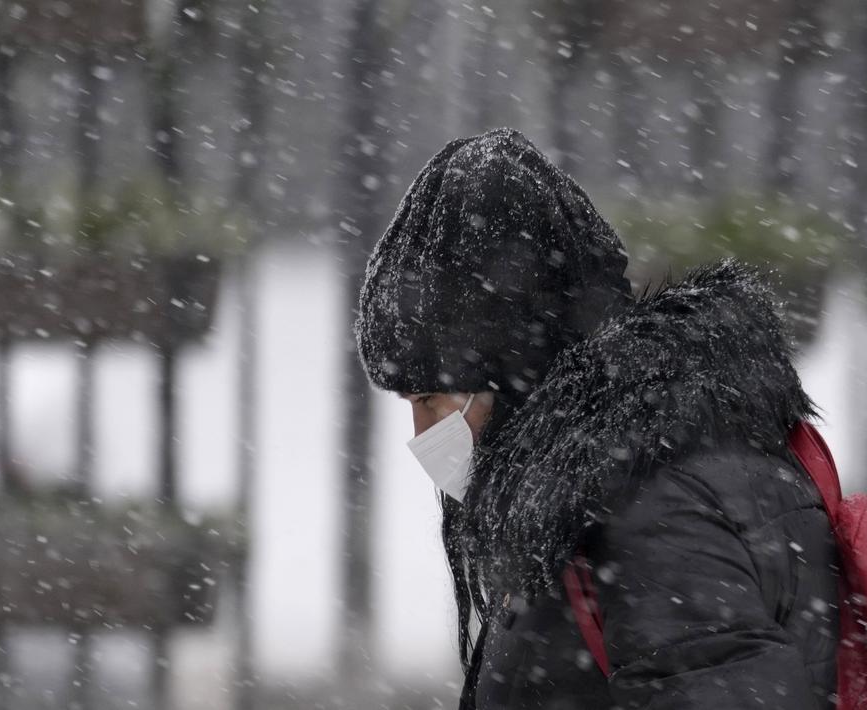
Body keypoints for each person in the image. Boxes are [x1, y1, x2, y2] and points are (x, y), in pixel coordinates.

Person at [354, 128, 839, 709]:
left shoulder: (654, 509)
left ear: (518, 374)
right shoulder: (599, 495)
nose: (421, 435)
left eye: (431, 400)